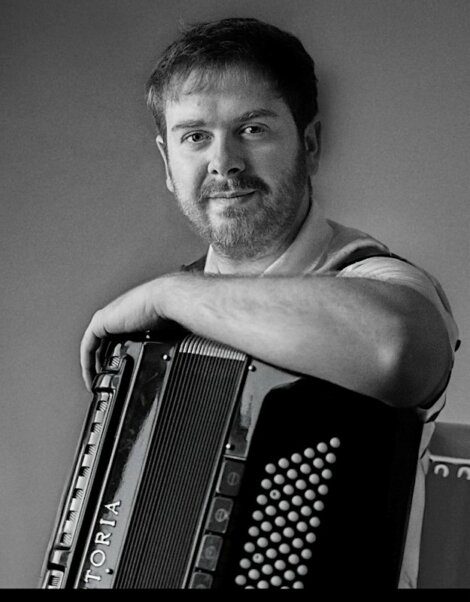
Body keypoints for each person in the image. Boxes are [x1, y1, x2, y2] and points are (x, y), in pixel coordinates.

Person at [79, 17, 459, 588]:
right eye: (195, 136)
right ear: (166, 162)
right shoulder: (153, 335)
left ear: (309, 143)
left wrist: (169, 291)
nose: (224, 162)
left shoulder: (375, 279)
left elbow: (394, 351)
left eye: (252, 129)